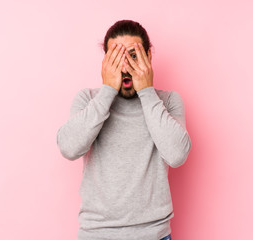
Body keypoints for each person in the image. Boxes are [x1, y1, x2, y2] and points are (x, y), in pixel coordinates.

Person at [56, 19, 191, 240]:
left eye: (134, 55)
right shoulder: (88, 100)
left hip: (154, 235)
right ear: (105, 62)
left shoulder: (167, 101)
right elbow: (69, 148)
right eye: (117, 57)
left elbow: (177, 155)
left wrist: (147, 92)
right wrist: (107, 90)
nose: (125, 66)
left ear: (148, 56)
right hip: (96, 235)